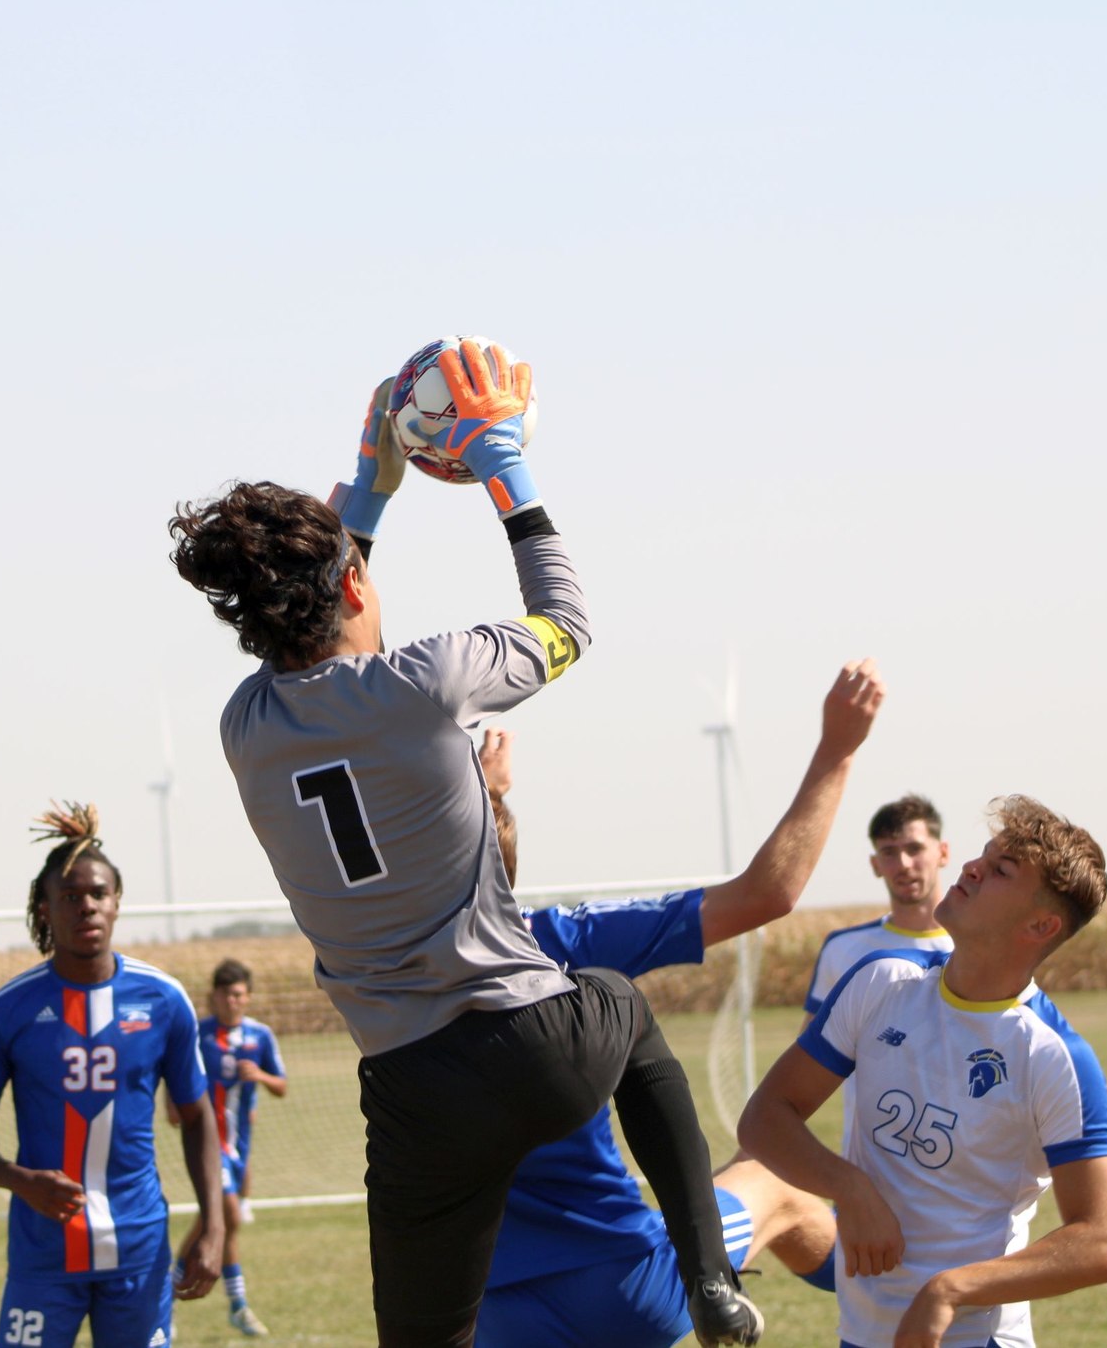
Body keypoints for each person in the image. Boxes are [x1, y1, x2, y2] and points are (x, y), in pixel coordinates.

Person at [169, 340, 759, 1347]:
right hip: (536, 1046)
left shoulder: (242, 726)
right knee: (620, 1005)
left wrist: (366, 491)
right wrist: (501, 469)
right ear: (354, 588)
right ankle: (706, 1280)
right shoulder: (428, 680)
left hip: (410, 1094)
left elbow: (322, 612)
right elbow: (566, 619)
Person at [474, 656, 883, 1347]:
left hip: (492, 1309)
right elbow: (768, 892)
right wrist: (837, 749)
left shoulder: (381, 969)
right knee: (772, 1182)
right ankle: (900, 1284)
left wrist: (473, 797)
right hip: (632, 1285)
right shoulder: (560, 942)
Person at [739, 797, 1107, 1348]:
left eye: (1000, 871)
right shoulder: (879, 984)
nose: (972, 868)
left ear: (1041, 925)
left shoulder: (1051, 1055)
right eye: (983, 856)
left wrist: (950, 1290)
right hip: (862, 1334)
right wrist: (849, 1189)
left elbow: (1104, 1241)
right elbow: (765, 1119)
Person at [0, 803, 225, 1348]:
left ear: (118, 903)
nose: (87, 907)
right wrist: (21, 1181)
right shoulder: (9, 1011)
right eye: (70, 897)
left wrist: (214, 1226)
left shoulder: (164, 1000)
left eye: (98, 894)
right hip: (44, 1253)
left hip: (138, 1246)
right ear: (45, 909)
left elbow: (197, 1119)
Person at [172, 958, 287, 1338]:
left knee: (215, 1221)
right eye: (225, 994)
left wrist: (261, 1076)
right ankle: (230, 1303)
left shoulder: (260, 1036)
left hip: (238, 1146)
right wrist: (171, 1104)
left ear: (248, 997)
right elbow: (174, 1074)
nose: (231, 1001)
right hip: (207, 1143)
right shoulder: (198, 1033)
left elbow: (282, 1086)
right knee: (228, 1216)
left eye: (238, 994)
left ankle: (174, 1291)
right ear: (214, 996)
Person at [804, 795, 956, 1022]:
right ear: (876, 865)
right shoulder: (842, 948)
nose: (904, 864)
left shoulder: (981, 945)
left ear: (943, 853)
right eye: (889, 853)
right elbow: (812, 1045)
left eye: (915, 849)